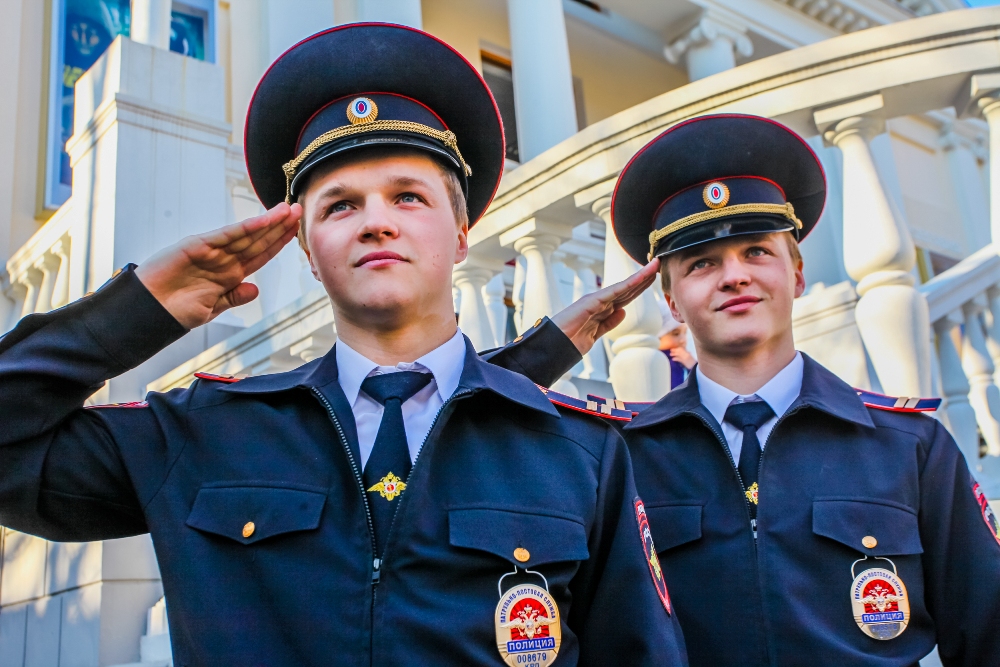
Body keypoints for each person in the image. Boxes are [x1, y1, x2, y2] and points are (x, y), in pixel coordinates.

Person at [0, 24, 686, 666]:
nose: (375, 223)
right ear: (307, 249)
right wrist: (138, 307)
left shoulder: (580, 452)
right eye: (339, 205)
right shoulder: (207, 433)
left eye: (408, 196)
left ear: (461, 234)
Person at [498, 114, 1000, 666]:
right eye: (702, 263)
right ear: (671, 301)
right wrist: (542, 353)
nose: (734, 276)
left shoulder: (908, 446)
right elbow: (460, 438)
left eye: (757, 251)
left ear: (797, 274)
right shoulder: (622, 457)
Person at [657, 298, 695, 389]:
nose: (683, 340)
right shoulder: (658, 361)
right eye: (675, 334)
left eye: (685, 333)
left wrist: (692, 365)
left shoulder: (679, 359)